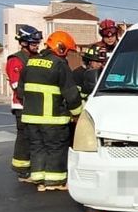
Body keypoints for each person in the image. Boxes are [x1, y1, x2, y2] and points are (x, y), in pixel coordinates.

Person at [19, 31, 82, 192]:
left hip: (31, 118)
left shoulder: (31, 62)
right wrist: (77, 113)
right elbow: (70, 92)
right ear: (61, 48)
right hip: (53, 118)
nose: (67, 55)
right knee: (55, 148)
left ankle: (39, 180)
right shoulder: (59, 64)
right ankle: (55, 181)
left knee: (37, 147)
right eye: (67, 51)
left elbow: (20, 92)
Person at [6, 25, 42, 183]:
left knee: (35, 138)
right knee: (24, 137)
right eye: (33, 42)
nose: (36, 45)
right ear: (23, 43)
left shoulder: (36, 58)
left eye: (37, 42)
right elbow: (17, 86)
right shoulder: (15, 60)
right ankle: (22, 170)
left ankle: (32, 166)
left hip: (34, 105)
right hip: (22, 106)